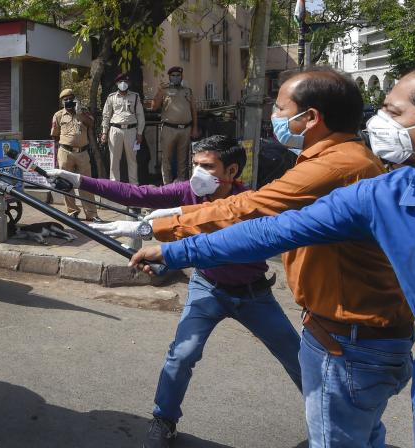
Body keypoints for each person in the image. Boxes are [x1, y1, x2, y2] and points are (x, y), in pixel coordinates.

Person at [132, 66, 415, 448]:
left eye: (395, 112)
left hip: (346, 342)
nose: (382, 122)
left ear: (311, 118)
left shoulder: (341, 167)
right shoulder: (389, 187)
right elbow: (272, 225)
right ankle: (164, 418)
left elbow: (256, 215)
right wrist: (170, 230)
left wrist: (169, 239)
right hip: (347, 336)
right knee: (181, 355)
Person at [50, 135, 302, 446]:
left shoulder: (247, 202)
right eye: (195, 164)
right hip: (208, 287)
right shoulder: (189, 191)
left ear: (232, 170)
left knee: (298, 358)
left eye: (207, 166)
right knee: (181, 355)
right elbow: (137, 192)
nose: (197, 172)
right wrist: (77, 179)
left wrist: (165, 250)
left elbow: (219, 245)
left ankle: (327, 424)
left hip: (253, 295)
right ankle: (163, 420)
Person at [51, 88, 100, 222]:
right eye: (65, 100)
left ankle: (92, 214)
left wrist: (80, 113)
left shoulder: (83, 112)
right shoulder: (58, 115)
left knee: (86, 184)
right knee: (66, 184)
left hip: (83, 153)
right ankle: (72, 212)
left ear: (75, 99)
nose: (68, 102)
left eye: (70, 99)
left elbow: (92, 123)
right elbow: (55, 135)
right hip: (65, 152)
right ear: (62, 102)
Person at [151, 66, 200, 184]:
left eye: (178, 75)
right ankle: (167, 186)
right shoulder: (164, 90)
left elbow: (193, 110)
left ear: (182, 76)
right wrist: (159, 92)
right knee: (166, 159)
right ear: (169, 77)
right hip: (168, 129)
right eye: (173, 75)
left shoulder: (187, 91)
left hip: (185, 129)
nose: (176, 77)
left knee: (183, 160)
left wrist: (195, 128)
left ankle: (181, 185)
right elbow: (154, 107)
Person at [101, 73, 145, 184]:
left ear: (129, 83)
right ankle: (114, 185)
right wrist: (104, 132)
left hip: (131, 130)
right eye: (120, 82)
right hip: (115, 130)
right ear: (116, 83)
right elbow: (106, 115)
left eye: (125, 82)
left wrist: (139, 133)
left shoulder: (135, 96)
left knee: (132, 159)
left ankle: (134, 185)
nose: (123, 84)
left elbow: (140, 115)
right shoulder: (111, 97)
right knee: (114, 159)